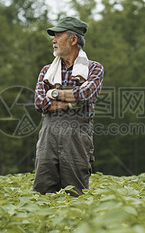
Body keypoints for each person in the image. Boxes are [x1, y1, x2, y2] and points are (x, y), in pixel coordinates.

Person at [33, 16, 104, 196]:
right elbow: (40, 103)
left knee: (75, 194)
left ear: (73, 40)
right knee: (42, 191)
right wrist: (70, 101)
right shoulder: (46, 71)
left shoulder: (94, 68)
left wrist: (54, 94)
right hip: (48, 139)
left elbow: (85, 95)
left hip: (77, 139)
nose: (53, 40)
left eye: (58, 36)